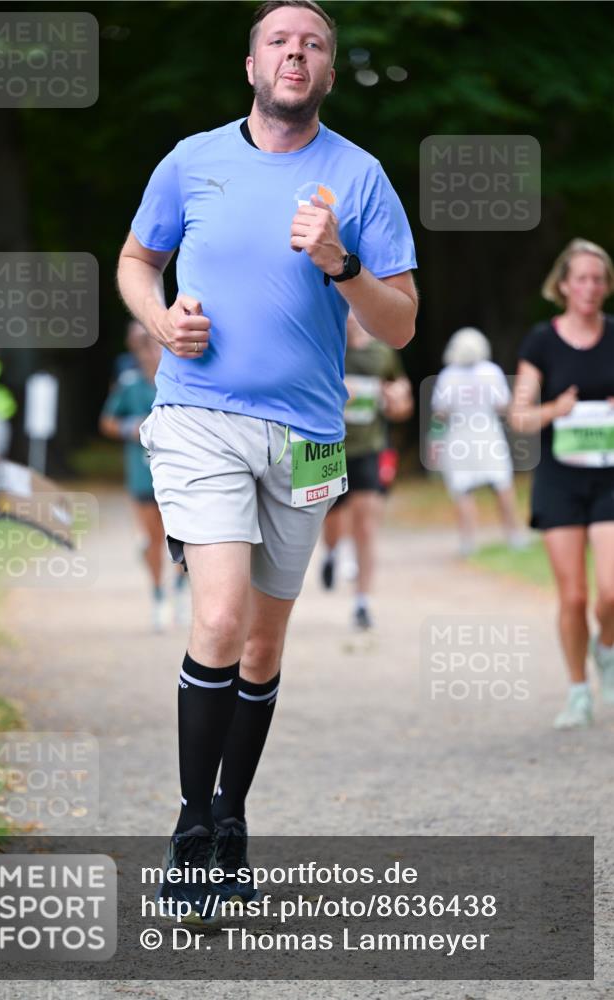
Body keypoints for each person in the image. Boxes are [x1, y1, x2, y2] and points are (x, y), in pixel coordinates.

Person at [117, 0, 417, 920]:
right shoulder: (191, 160)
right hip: (198, 416)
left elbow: (400, 323)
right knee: (217, 619)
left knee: (260, 642)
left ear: (327, 71)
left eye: (313, 44)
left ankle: (230, 818)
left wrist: (340, 264)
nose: (295, 53)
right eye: (278, 41)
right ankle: (188, 831)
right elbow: (135, 261)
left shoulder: (359, 177)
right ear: (251, 66)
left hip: (308, 434)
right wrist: (159, 318)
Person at [510, 239, 614, 729]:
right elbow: (520, 416)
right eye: (582, 278)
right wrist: (556, 409)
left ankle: (605, 647)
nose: (591, 287)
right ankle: (577, 692)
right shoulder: (541, 342)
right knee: (573, 597)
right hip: (560, 481)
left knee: (611, 592)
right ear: (564, 285)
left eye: (599, 279)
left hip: (610, 477)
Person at [320, 310, 414, 629]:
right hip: (330, 448)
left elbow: (402, 404)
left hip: (370, 449)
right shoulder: (327, 346)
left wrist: (396, 401)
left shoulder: (382, 353)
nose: (349, 318)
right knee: (332, 521)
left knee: (366, 526)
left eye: (354, 313)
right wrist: (337, 391)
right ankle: (331, 553)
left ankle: (362, 602)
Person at [100, 330, 186, 631]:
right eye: (146, 349)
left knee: (183, 536)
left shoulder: (182, 382)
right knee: (151, 538)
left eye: (157, 348)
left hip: (180, 473)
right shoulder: (130, 384)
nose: (152, 354)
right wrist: (130, 427)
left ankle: (181, 588)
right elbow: (107, 422)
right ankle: (159, 593)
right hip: (142, 473)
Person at [432, 327, 526, 556]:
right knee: (502, 484)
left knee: (463, 489)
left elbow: (440, 412)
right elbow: (503, 404)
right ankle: (514, 535)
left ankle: (468, 542)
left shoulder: (447, 376)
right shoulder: (491, 372)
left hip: (459, 437)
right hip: (488, 434)